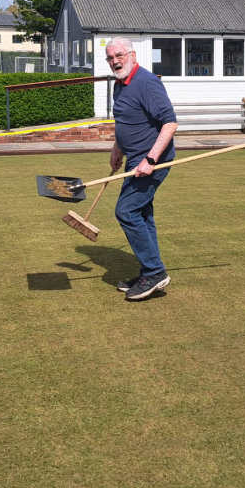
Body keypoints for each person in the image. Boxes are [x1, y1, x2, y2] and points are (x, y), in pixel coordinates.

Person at [106, 37, 178, 301]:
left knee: (126, 210)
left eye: (119, 55)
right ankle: (149, 271)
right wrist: (117, 149)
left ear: (132, 55)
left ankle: (155, 272)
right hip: (133, 159)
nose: (115, 61)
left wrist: (150, 160)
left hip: (152, 161)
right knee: (142, 214)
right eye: (111, 58)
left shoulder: (147, 82)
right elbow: (126, 120)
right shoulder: (120, 84)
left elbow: (169, 124)